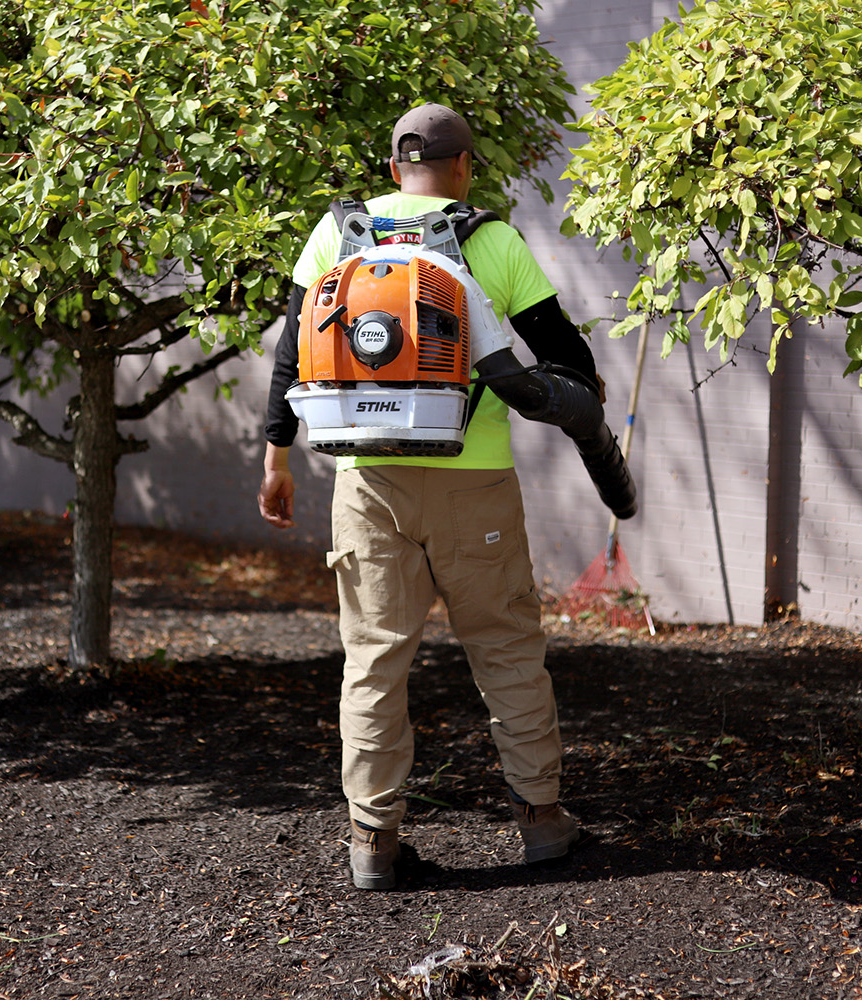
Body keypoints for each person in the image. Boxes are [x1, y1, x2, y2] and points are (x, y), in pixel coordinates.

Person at [257, 103, 604, 890]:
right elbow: (564, 354)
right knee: (507, 649)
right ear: (464, 167)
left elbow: (291, 356)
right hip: (475, 481)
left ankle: (372, 842)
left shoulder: (337, 234)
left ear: (393, 169)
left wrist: (276, 458)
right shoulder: (492, 240)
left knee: (374, 660)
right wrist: (583, 394)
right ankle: (542, 821)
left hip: (366, 481)